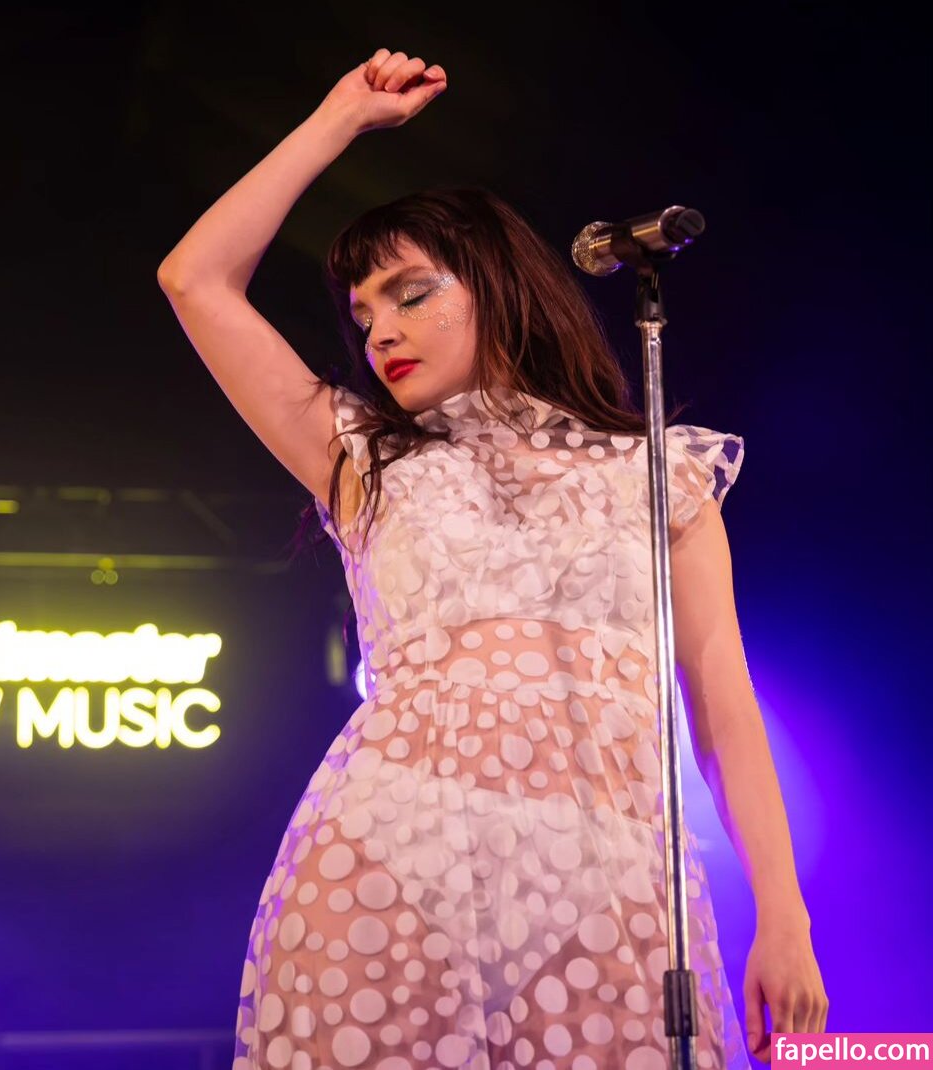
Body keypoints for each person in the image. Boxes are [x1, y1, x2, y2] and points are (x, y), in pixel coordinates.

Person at [157, 47, 828, 1070]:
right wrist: (339, 118)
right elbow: (195, 278)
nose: (380, 332)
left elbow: (724, 707)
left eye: (410, 293)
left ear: (499, 288)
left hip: (609, 883)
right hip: (394, 865)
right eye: (363, 314)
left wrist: (784, 914)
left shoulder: (661, 477)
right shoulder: (365, 459)